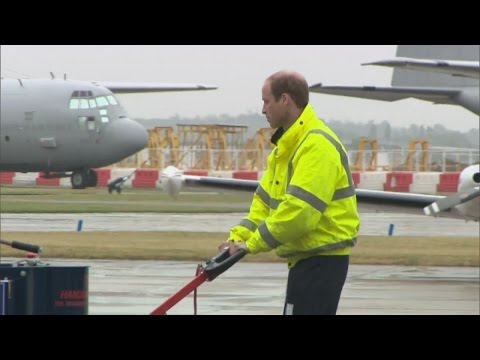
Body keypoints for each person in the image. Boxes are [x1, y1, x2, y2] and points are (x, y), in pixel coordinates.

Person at [219, 70, 360, 315]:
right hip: (305, 260)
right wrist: (236, 238)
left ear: (285, 100)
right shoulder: (285, 148)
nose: (263, 109)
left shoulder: (316, 146)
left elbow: (299, 213)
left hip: (322, 261)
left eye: (266, 101)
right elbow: (263, 205)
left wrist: (250, 244)